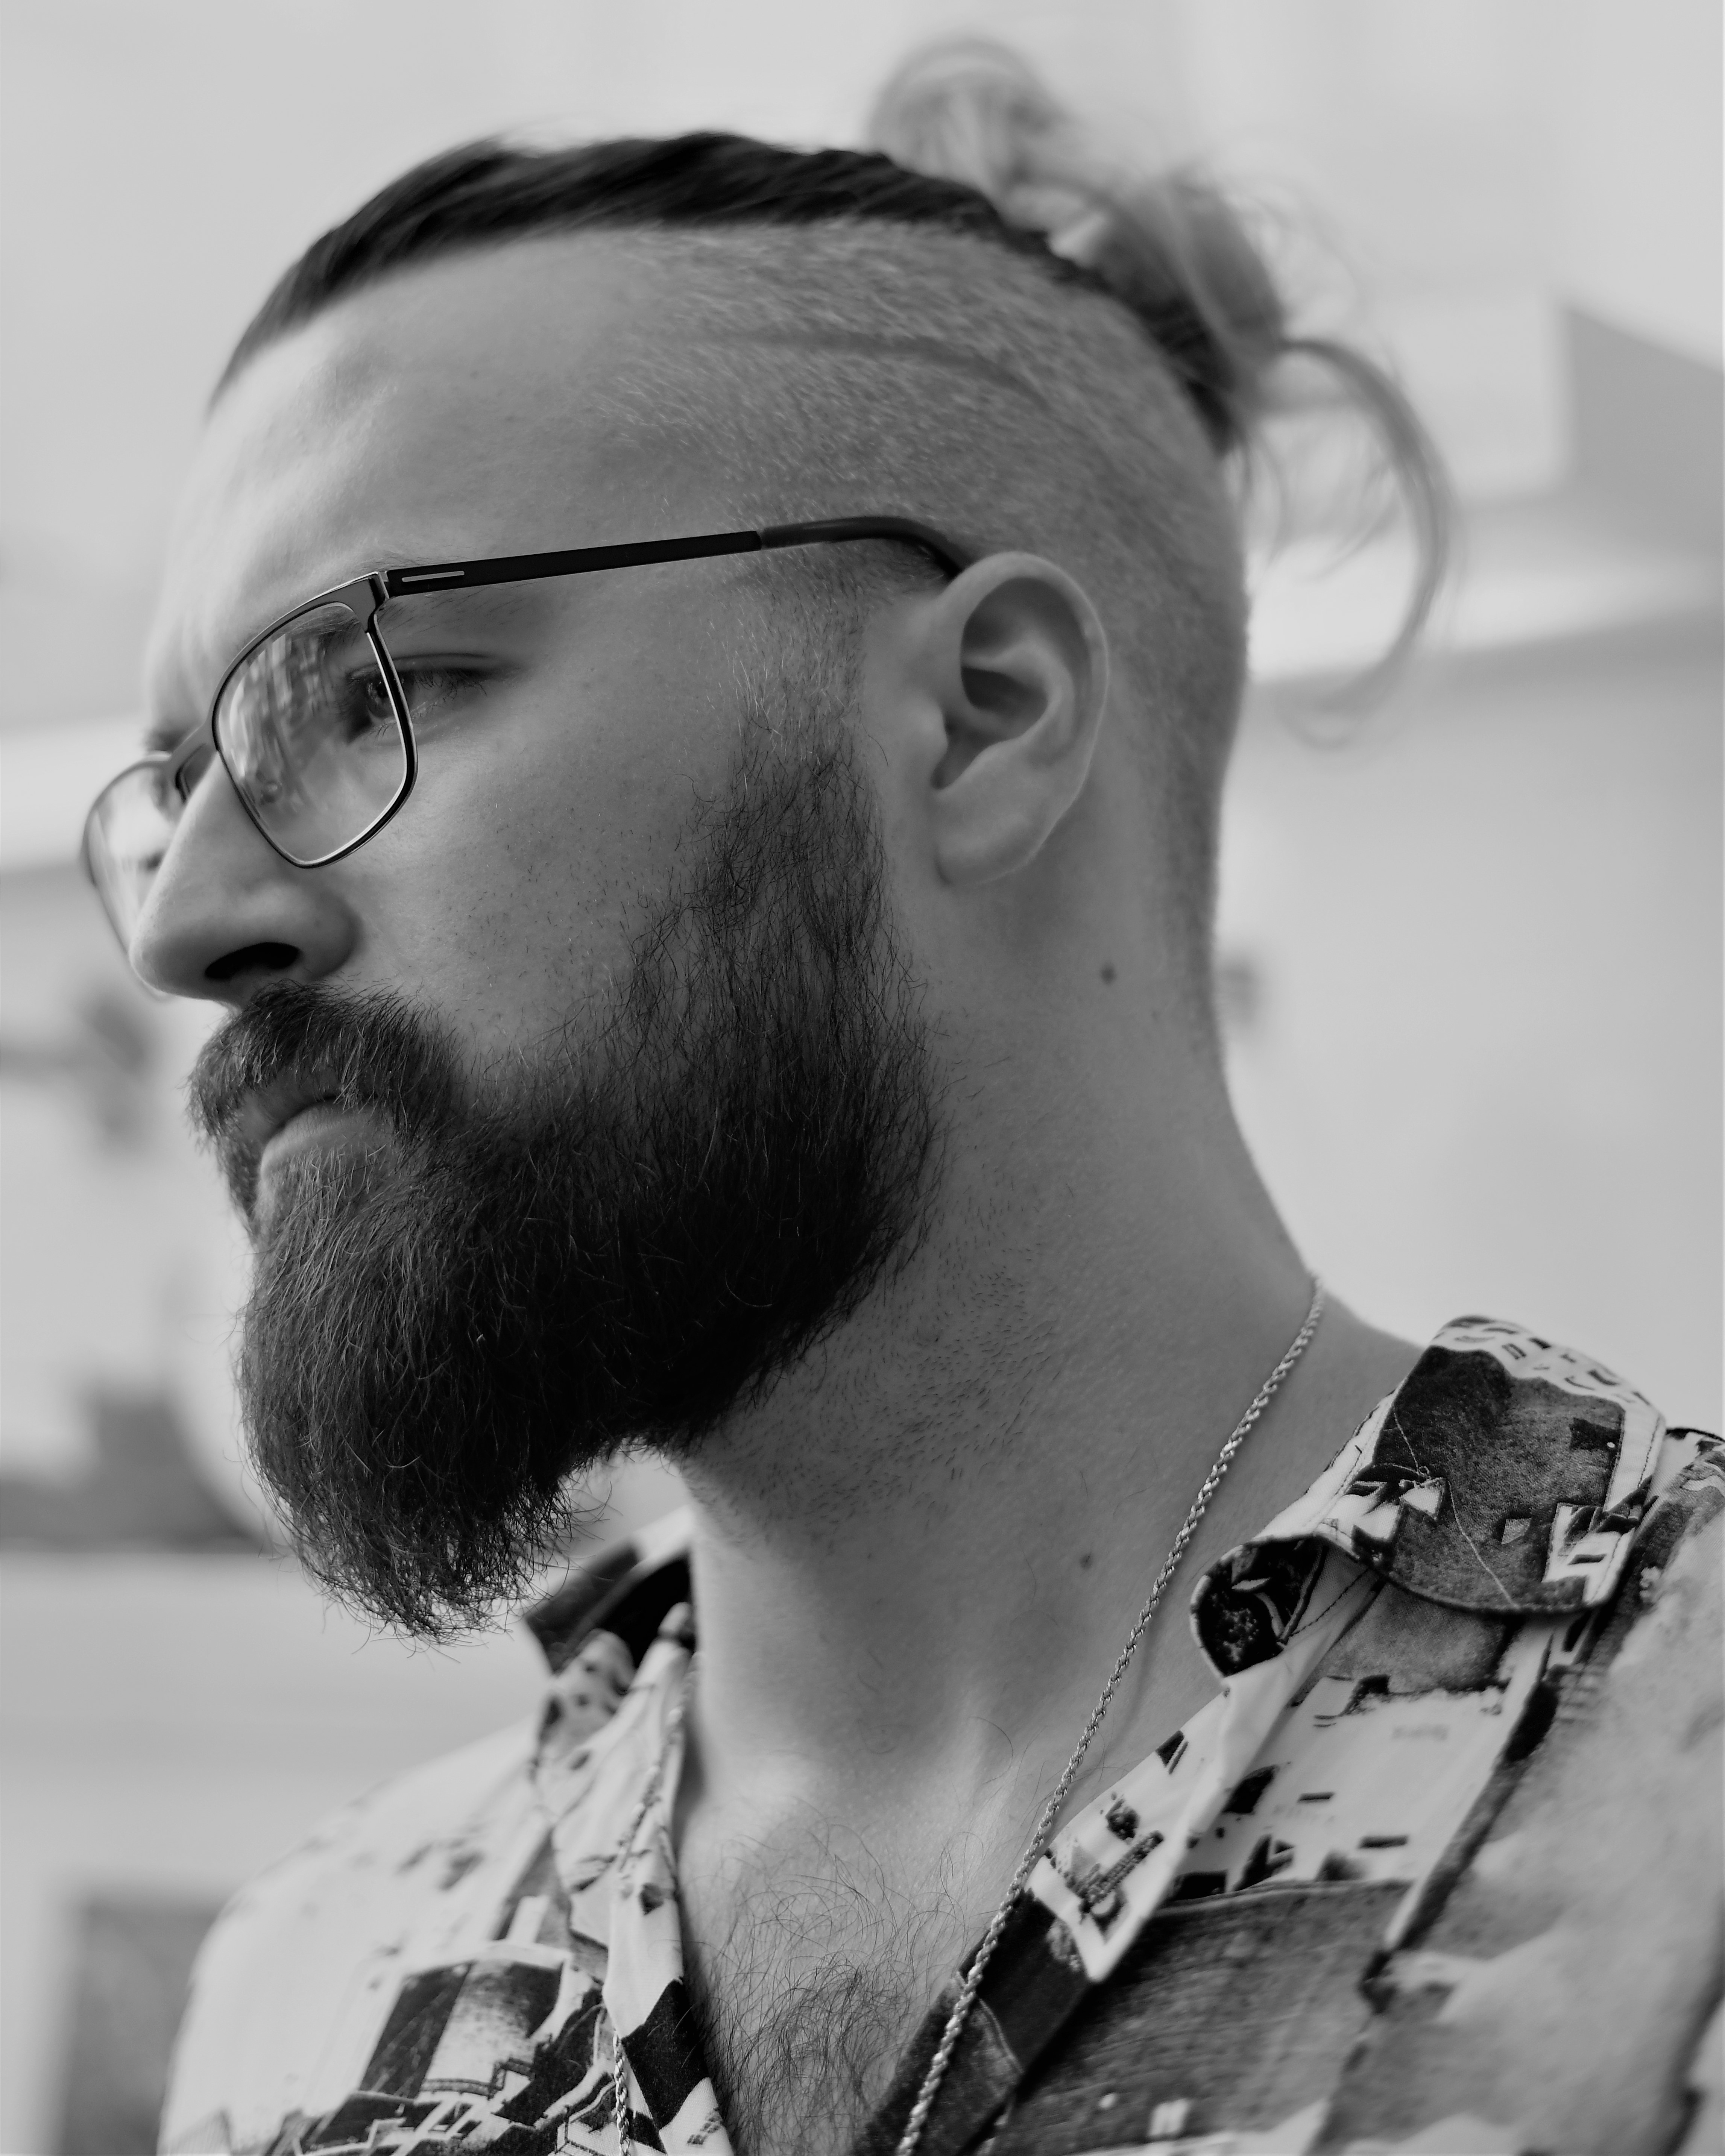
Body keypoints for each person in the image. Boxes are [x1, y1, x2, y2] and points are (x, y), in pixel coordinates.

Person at [81, 41, 1719, 2156]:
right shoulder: (314, 1989)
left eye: (367, 690)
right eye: (179, 785)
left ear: (984, 721)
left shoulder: (1676, 1790)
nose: (185, 925)